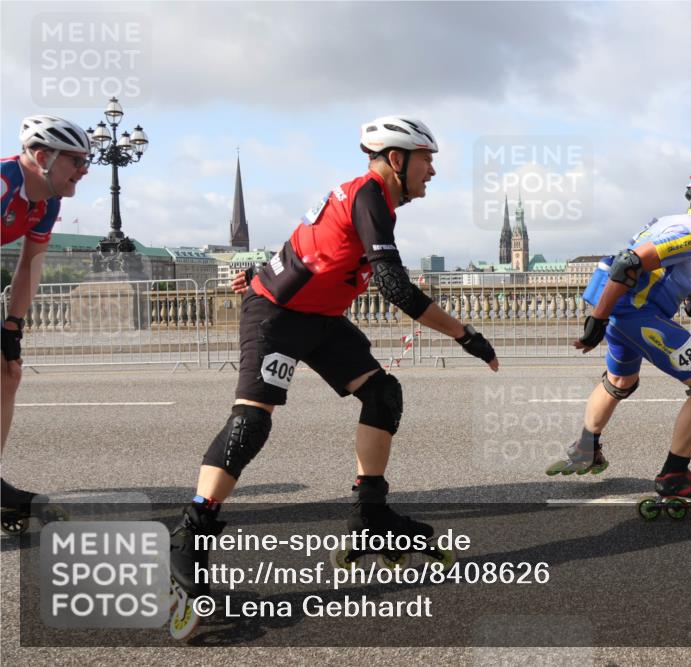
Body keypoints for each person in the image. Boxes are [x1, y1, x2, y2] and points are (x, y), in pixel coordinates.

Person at [169, 116, 499, 618]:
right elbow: (395, 288)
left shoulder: (370, 199)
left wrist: (261, 267)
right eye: (427, 160)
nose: (432, 171)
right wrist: (466, 334)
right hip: (277, 317)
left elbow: (311, 244)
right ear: (397, 159)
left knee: (382, 393)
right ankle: (191, 531)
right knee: (251, 423)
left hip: (320, 318)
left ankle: (370, 512)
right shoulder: (369, 195)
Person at [548, 171, 691, 507]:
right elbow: (627, 264)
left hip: (625, 315)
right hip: (639, 316)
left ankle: (586, 448)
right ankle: (675, 476)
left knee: (620, 381)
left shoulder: (690, 233)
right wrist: (596, 321)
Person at [1, 115, 91, 533]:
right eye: (77, 161)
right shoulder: (2, 186)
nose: (85, 171)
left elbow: (30, 265)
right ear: (42, 157)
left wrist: (13, 327)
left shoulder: (46, 201)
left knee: (7, 373)